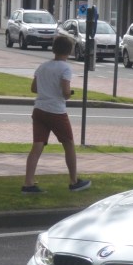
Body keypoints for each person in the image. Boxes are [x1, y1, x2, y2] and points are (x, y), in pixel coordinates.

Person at [23, 35, 91, 193]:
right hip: (56, 110)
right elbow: (66, 92)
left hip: (39, 109)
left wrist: (48, 89)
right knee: (68, 144)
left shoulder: (43, 66)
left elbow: (34, 88)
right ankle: (74, 181)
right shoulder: (65, 68)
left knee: (37, 146)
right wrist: (67, 94)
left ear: (54, 49)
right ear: (69, 51)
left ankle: (28, 183)